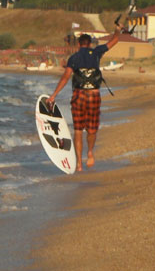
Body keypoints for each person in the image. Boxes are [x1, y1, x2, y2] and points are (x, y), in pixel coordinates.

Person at [46, 24, 121, 171]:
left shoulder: (74, 58)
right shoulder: (97, 52)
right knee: (92, 130)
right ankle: (90, 152)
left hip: (79, 96)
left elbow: (66, 77)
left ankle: (79, 163)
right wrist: (118, 30)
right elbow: (115, 40)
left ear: (79, 44)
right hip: (93, 95)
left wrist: (53, 95)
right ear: (90, 44)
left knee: (78, 130)